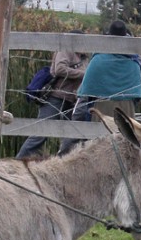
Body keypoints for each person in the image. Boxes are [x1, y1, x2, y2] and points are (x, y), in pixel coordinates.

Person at [58, 20, 141, 155]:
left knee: (99, 144)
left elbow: (87, 91)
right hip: (126, 107)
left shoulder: (99, 59)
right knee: (126, 143)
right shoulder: (133, 61)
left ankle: (64, 154)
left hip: (101, 106)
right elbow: (136, 91)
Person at [16, 31, 89, 159]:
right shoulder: (66, 50)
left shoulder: (84, 57)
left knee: (71, 135)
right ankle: (19, 161)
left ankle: (62, 162)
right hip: (55, 97)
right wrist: (84, 74)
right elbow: (59, 69)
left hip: (71, 100)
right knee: (41, 133)